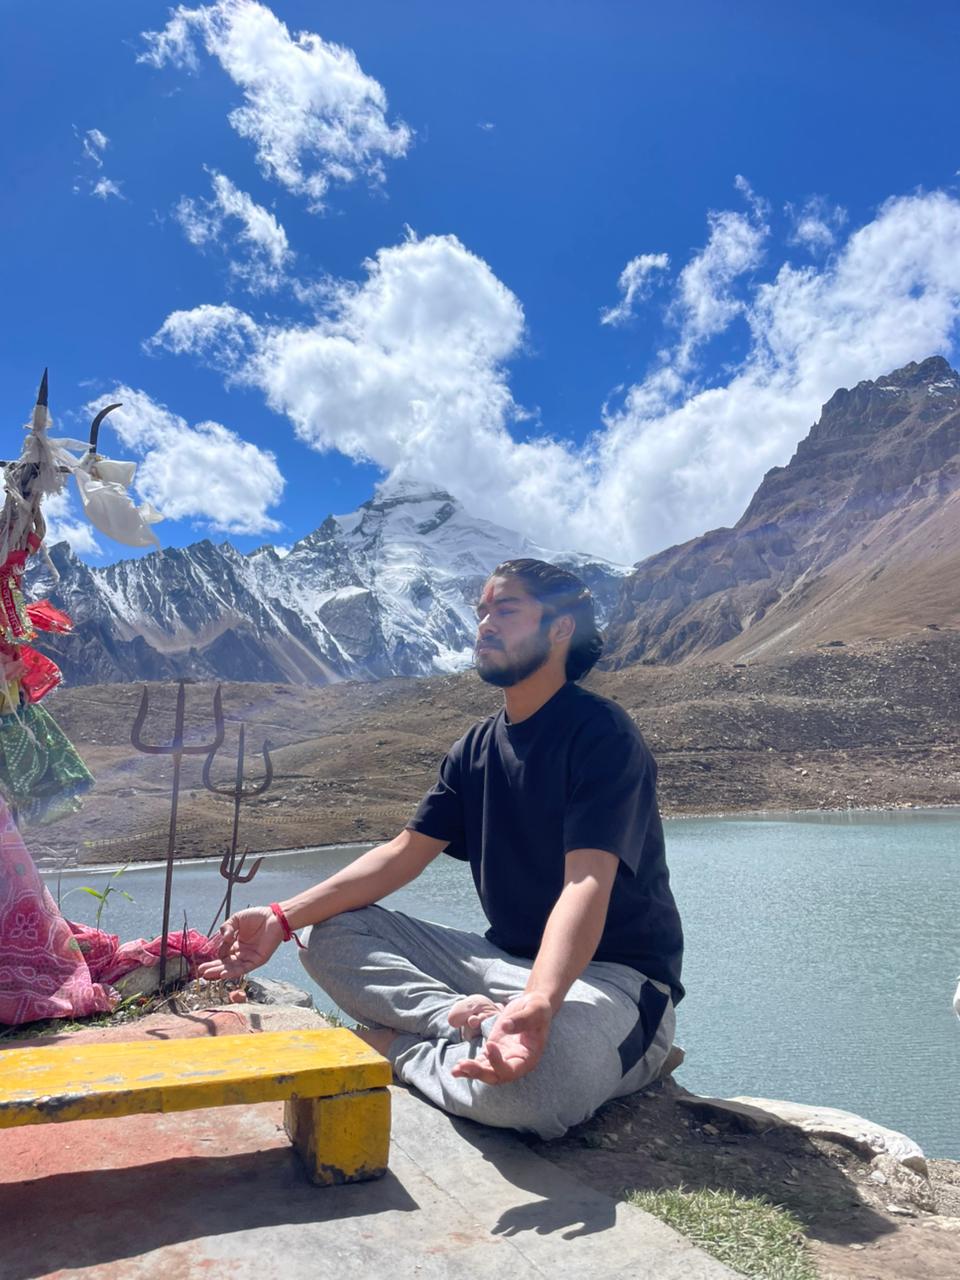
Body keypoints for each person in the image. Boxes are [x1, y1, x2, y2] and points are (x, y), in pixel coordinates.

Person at [199, 558, 683, 1140]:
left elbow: (586, 881)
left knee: (540, 1090)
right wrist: (281, 918)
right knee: (330, 933)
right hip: (499, 963)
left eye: (505, 610)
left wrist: (542, 999)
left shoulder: (600, 733)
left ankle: (390, 1046)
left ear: (560, 629)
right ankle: (455, 1022)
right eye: (482, 611)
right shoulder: (475, 747)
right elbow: (403, 853)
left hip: (612, 982)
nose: (484, 624)